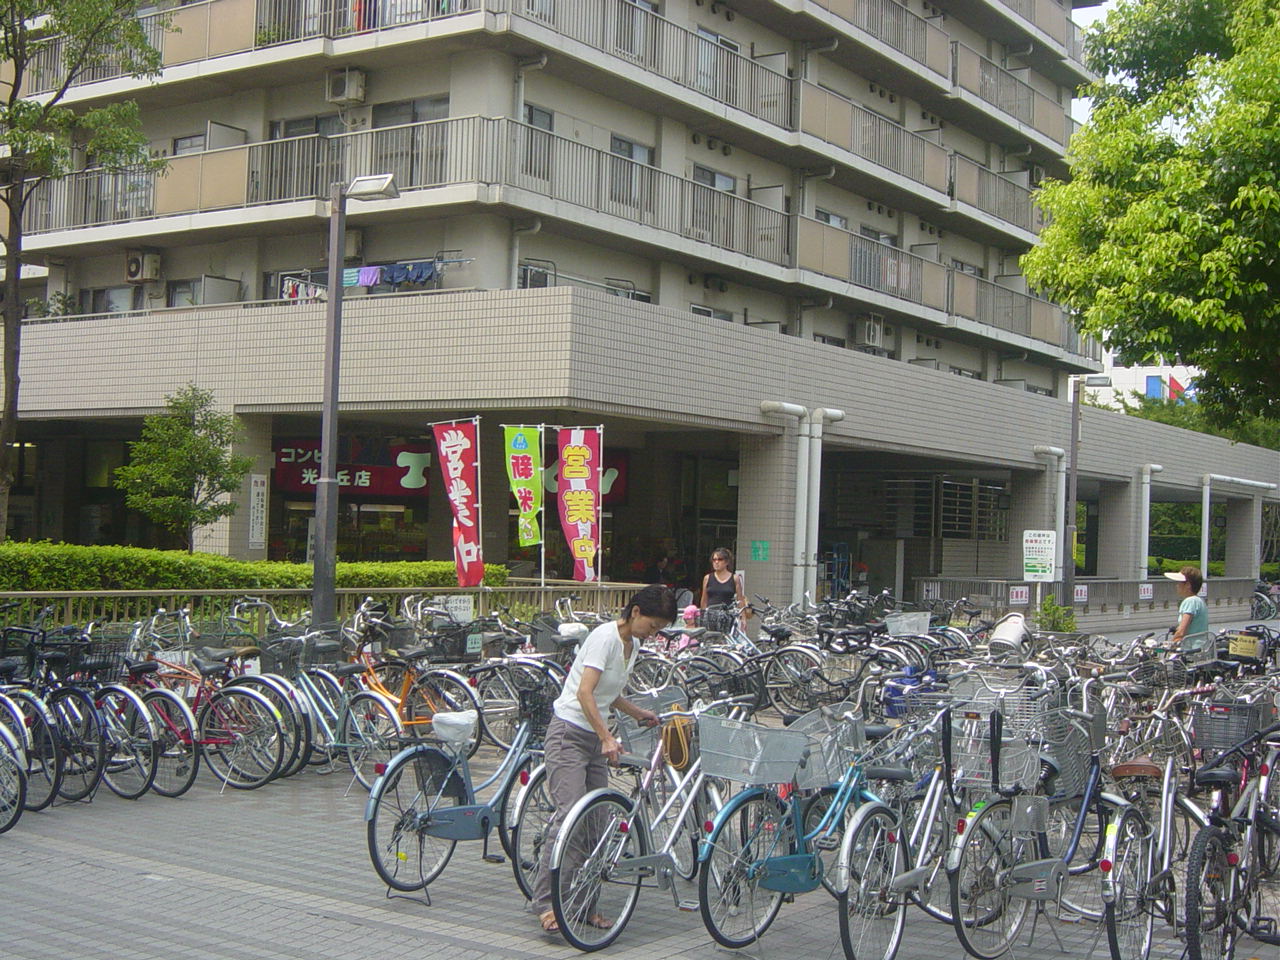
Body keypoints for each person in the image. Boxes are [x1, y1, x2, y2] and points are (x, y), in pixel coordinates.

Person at [531, 584, 676, 934]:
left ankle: (582, 906)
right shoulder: (605, 638)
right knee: (570, 817)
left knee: (597, 823)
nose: (654, 634)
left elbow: (610, 694)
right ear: (636, 612)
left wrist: (639, 712)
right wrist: (607, 736)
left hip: (595, 738)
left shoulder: (633, 644)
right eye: (653, 626)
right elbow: (584, 692)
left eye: (660, 630)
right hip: (569, 733)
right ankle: (548, 903)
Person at [700, 547, 749, 631]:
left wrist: (743, 618)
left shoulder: (734, 578)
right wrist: (702, 618)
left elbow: (740, 600)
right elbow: (704, 600)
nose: (716, 562)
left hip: (727, 617)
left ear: (726, 562)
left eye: (720, 559)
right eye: (714, 559)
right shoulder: (707, 578)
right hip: (711, 616)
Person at [1166, 565, 1210, 656]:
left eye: (1180, 583)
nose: (1177, 586)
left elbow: (1182, 631)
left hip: (1191, 650)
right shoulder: (1199, 601)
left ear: (1188, 585)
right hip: (1202, 648)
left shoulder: (1190, 601)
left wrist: (1170, 646)